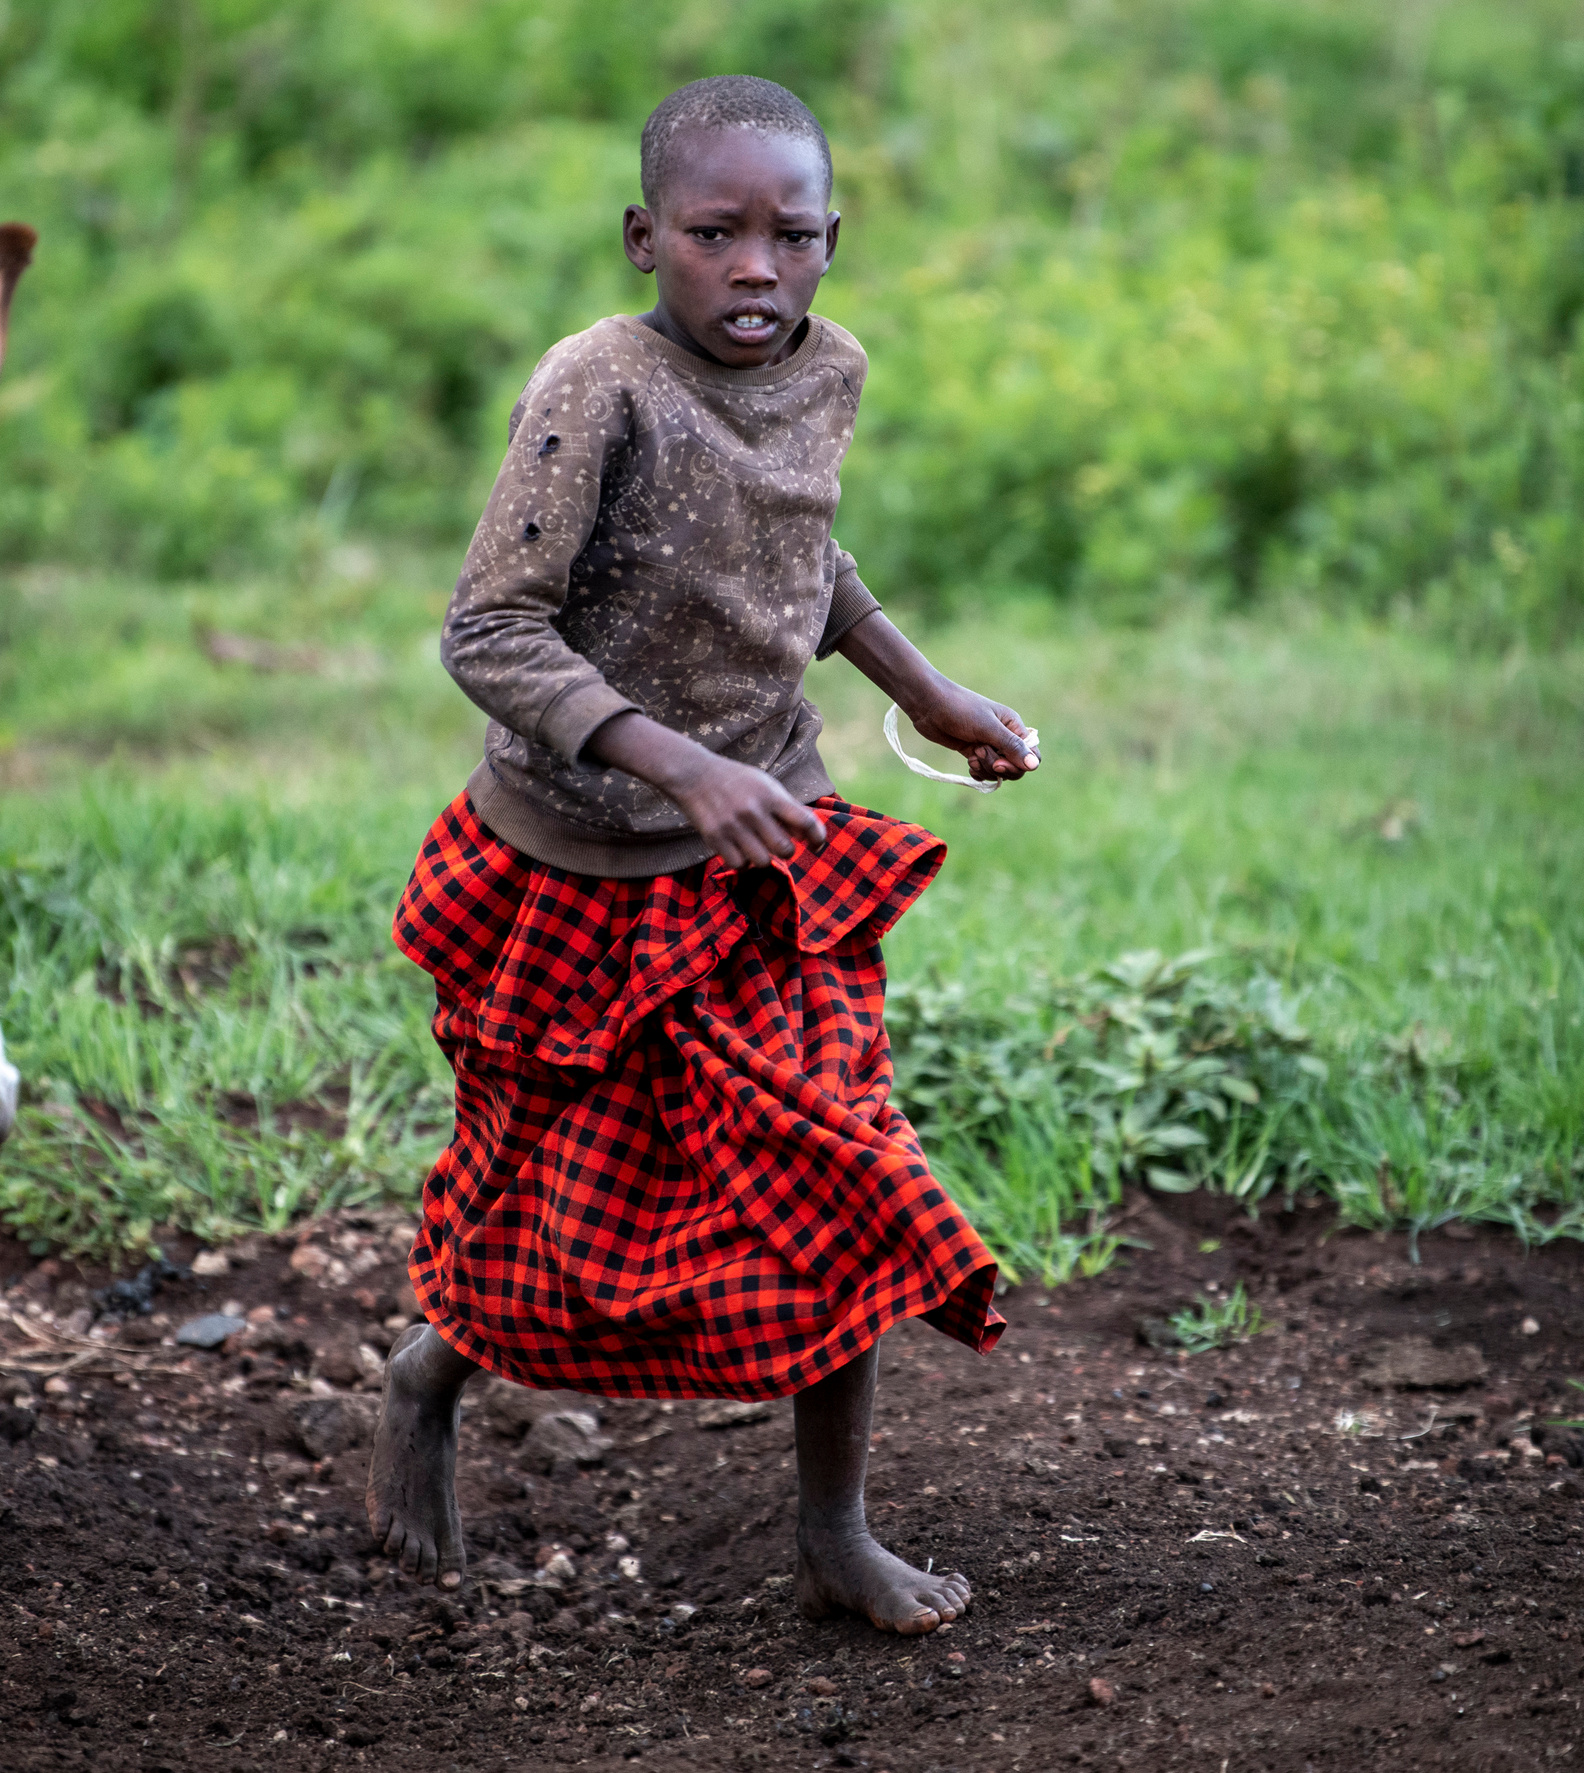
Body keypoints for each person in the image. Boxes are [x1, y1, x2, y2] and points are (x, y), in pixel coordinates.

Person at [367, 75, 1039, 1636]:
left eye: (789, 237)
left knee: (843, 1173)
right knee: (549, 1191)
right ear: (642, 237)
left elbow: (803, 554)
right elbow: (487, 627)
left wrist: (926, 691)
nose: (755, 267)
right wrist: (678, 763)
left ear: (830, 243)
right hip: (572, 874)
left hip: (764, 865)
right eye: (713, 234)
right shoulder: (596, 386)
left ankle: (833, 1527)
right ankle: (428, 1374)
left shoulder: (831, 372)